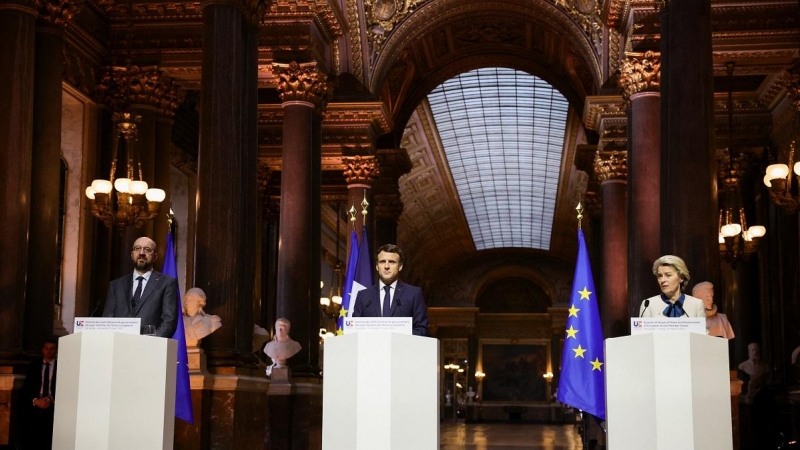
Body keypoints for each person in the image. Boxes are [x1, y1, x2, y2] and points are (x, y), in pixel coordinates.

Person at [103, 236, 179, 337]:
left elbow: (169, 321)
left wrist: (150, 343)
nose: (141, 253)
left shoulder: (167, 283)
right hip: (120, 347)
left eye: (147, 249)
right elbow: (108, 320)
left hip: (151, 347)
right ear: (132, 254)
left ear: (155, 256)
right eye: (137, 248)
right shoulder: (116, 286)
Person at [352, 244, 430, 336]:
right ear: (377, 266)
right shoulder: (364, 296)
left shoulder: (413, 294)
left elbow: (422, 329)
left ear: (400, 266)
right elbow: (354, 329)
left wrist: (400, 336)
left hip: (402, 348)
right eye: (382, 262)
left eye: (392, 262)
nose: (386, 266)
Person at [638, 255, 705, 318]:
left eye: (668, 275)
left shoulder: (696, 304)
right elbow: (642, 330)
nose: (662, 280)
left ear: (681, 278)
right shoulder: (648, 305)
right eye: (660, 276)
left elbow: (703, 330)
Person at [21, 339, 58, 449]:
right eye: (46, 348)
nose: (49, 351)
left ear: (56, 350)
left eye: (52, 349)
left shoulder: (62, 367)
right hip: (34, 407)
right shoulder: (34, 366)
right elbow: (26, 388)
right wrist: (36, 401)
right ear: (43, 350)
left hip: (54, 408)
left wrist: (51, 400)